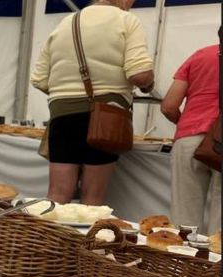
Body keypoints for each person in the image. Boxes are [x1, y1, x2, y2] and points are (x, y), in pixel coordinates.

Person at [31, 0, 154, 206]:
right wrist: (149, 84)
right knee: (92, 199)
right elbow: (139, 75)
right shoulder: (127, 20)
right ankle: (86, 239)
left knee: (57, 196)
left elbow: (39, 79)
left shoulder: (66, 22)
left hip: (62, 115)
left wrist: (68, 93)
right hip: (106, 115)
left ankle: (48, 238)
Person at [161, 35, 220, 234]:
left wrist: (189, 126)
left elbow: (169, 106)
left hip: (189, 140)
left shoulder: (200, 55)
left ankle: (182, 262)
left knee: (184, 217)